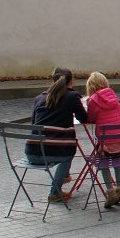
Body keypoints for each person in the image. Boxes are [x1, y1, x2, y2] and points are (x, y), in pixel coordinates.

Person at [25, 67, 88, 203]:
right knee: (68, 153)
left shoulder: (39, 98)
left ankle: (64, 177)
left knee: (64, 149)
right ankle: (55, 192)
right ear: (72, 81)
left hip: (31, 153)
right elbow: (83, 118)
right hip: (53, 154)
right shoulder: (72, 96)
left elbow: (33, 123)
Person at [85, 71, 120, 208]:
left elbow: (91, 118)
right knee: (117, 162)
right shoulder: (114, 97)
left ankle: (110, 192)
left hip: (106, 145)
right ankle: (119, 188)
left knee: (102, 162)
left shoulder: (93, 100)